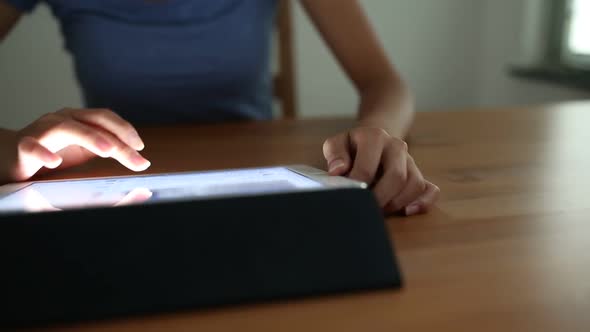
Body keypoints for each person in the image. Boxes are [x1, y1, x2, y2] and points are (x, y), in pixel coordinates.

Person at [0, 0, 439, 216]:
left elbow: (384, 83)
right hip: (111, 191)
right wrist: (10, 146)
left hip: (260, 189)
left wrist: (378, 132)